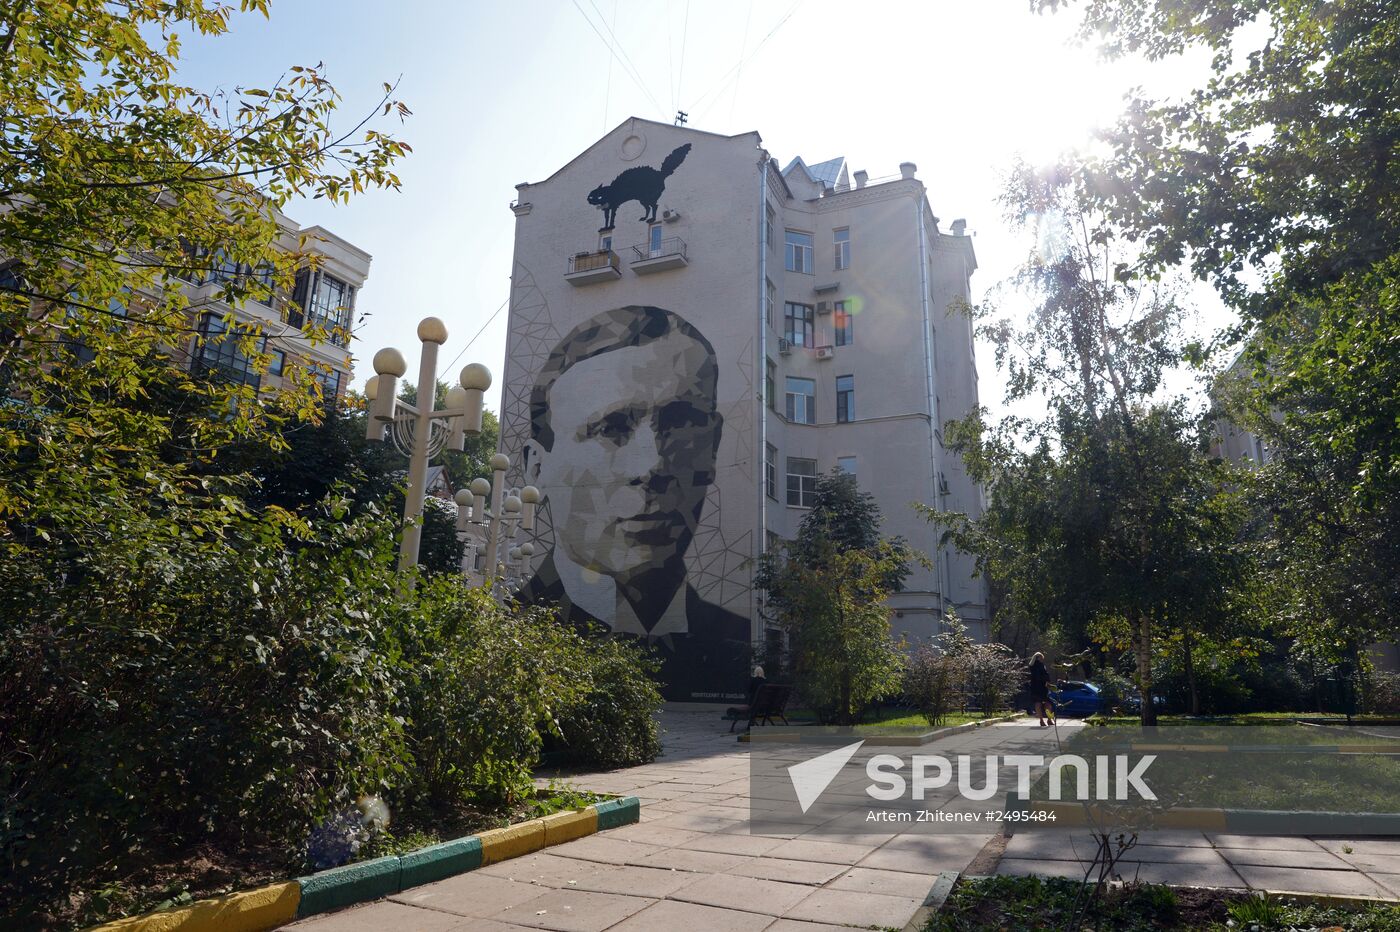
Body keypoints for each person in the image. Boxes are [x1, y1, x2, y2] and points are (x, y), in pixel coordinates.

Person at [514, 305, 750, 700]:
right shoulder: (506, 639)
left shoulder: (737, 641)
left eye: (680, 424)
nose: (653, 463)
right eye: (612, 428)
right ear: (537, 467)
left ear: (713, 447)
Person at [1029, 652, 1053, 727]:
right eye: (1041, 658)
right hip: (1039, 687)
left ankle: (1046, 720)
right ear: (1038, 658)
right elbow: (1043, 675)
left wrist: (1047, 681)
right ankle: (1045, 720)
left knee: (1044, 704)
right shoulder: (1036, 665)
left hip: (1039, 687)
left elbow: (1045, 675)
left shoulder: (1038, 665)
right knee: (1042, 704)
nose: (1042, 659)